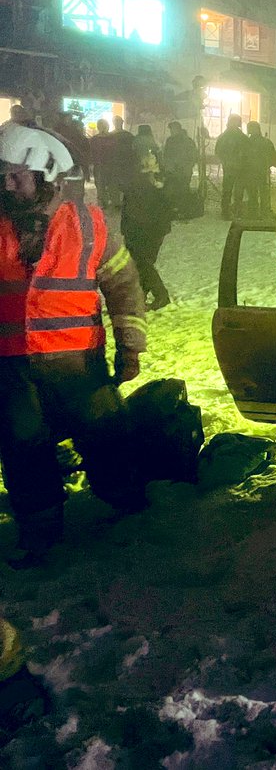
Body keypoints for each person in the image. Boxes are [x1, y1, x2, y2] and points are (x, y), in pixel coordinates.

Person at [0, 124, 149, 566]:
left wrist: (130, 346)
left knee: (105, 437)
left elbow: (125, 286)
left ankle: (130, 513)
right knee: (23, 451)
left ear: (46, 175)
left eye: (16, 176)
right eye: (1, 175)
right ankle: (40, 536)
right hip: (12, 369)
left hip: (79, 365)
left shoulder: (90, 224)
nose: (6, 184)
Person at [122, 126, 173, 310]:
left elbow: (139, 207)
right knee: (142, 262)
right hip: (146, 226)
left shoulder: (148, 183)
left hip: (144, 227)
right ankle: (141, 296)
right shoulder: (146, 181)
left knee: (142, 262)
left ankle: (160, 294)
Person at [161, 121, 199, 217]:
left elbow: (193, 155)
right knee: (178, 190)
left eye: (172, 129)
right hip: (178, 171)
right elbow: (167, 155)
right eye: (170, 129)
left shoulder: (182, 141)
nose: (171, 131)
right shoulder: (176, 140)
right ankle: (179, 210)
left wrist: (187, 166)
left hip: (181, 171)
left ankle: (181, 210)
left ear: (178, 129)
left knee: (181, 190)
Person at [214, 113, 248, 220]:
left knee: (237, 191)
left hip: (237, 167)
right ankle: (227, 211)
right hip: (232, 167)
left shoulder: (236, 136)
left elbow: (247, 151)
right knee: (229, 191)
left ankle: (234, 211)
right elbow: (219, 151)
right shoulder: (228, 136)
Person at [244, 121, 276, 220]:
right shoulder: (266, 142)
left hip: (251, 172)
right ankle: (264, 213)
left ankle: (253, 213)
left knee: (252, 194)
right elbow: (273, 157)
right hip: (262, 171)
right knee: (264, 194)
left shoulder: (246, 143)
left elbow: (242, 157)